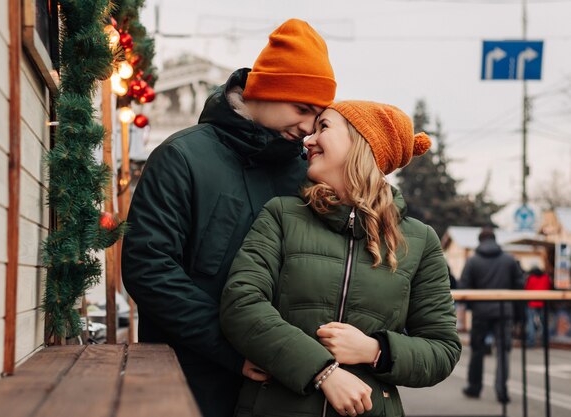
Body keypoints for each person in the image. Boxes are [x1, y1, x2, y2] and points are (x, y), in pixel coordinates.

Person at [121, 18, 337, 417]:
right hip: (189, 378)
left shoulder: (305, 173)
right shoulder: (181, 157)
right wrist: (233, 349)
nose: (309, 128)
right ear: (268, 90)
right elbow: (148, 268)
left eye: (318, 116)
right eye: (302, 109)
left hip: (283, 385)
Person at [220, 101, 461, 417]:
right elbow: (241, 304)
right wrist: (323, 372)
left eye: (324, 127)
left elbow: (442, 349)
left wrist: (375, 351)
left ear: (363, 142)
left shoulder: (419, 241)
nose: (308, 139)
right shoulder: (281, 215)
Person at [459, 227, 524, 403]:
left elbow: (463, 287)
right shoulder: (509, 260)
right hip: (505, 310)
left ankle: (474, 387)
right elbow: (520, 285)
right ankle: (502, 391)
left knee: (477, 350)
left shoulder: (473, 261)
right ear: (496, 240)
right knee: (503, 351)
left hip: (481, 311)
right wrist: (518, 313)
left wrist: (473, 306)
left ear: (480, 241)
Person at [524, 266, 552, 347]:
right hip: (543, 302)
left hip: (532, 302)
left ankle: (531, 342)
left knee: (530, 322)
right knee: (544, 323)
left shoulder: (531, 278)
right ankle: (545, 341)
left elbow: (527, 289)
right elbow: (549, 288)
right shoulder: (546, 277)